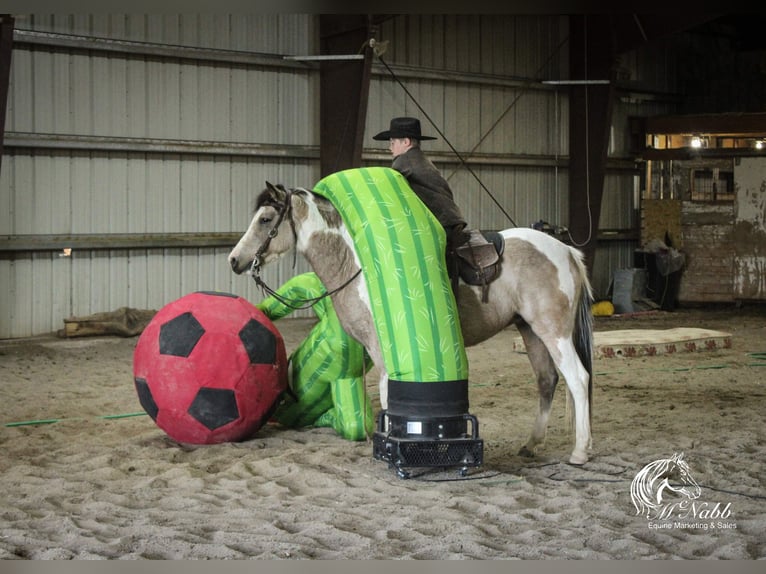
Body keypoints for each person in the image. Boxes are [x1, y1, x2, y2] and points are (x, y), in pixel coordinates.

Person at [256, 272, 374, 441]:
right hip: (334, 375)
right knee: (358, 428)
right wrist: (249, 314)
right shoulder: (333, 287)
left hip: (344, 374)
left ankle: (326, 413)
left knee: (358, 428)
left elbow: (302, 287)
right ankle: (326, 415)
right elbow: (299, 289)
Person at [373, 116, 470, 284]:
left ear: (406, 142)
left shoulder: (403, 162)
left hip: (441, 224)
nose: (390, 148)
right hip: (450, 220)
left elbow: (389, 193)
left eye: (392, 143)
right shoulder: (419, 159)